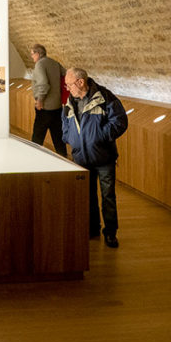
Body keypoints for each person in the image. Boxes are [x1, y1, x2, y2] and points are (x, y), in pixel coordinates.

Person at [61, 67, 128, 249]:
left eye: (69, 84)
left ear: (80, 82)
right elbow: (65, 124)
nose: (67, 88)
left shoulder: (105, 97)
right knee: (87, 195)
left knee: (108, 196)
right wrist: (70, 139)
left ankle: (111, 233)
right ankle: (92, 228)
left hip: (103, 157)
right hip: (81, 158)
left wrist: (100, 136)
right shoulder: (70, 101)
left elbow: (120, 121)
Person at [29, 44, 65, 157]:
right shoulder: (54, 63)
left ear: (38, 54)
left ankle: (34, 162)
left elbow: (43, 84)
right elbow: (66, 75)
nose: (31, 57)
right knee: (58, 138)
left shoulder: (40, 64)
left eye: (32, 54)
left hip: (45, 108)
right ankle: (64, 161)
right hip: (57, 107)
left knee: (37, 138)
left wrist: (39, 100)